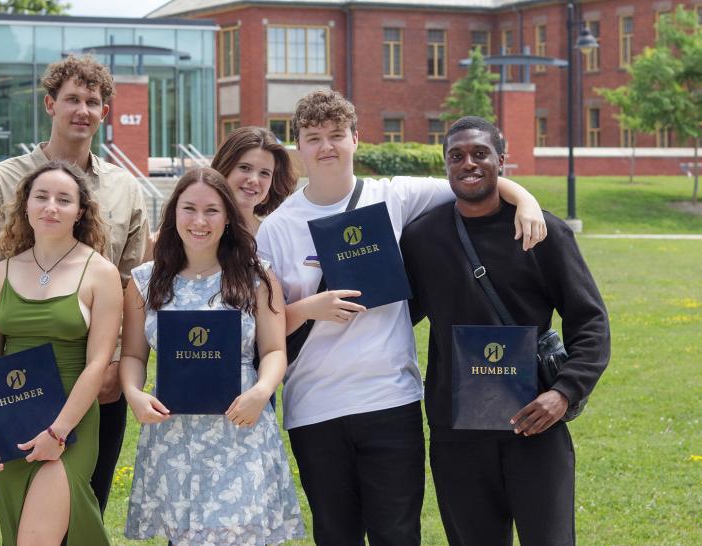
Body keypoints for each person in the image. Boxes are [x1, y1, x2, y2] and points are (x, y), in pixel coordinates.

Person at [255, 90, 549, 545]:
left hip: (390, 401)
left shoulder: (393, 196)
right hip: (314, 406)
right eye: (314, 138)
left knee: (398, 535)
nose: (326, 147)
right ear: (299, 146)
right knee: (335, 535)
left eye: (337, 135)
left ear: (357, 138)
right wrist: (310, 308)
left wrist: (525, 198)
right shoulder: (277, 227)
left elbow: (470, 182)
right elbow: (264, 327)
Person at [400, 116, 610, 546]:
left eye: (480, 153)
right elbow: (393, 315)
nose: (468, 163)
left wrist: (564, 393)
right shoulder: (422, 239)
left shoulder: (541, 232)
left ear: (501, 160)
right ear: (446, 166)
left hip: (535, 424)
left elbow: (590, 321)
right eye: (456, 156)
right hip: (456, 433)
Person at [0, 55, 147, 513]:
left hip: (93, 370)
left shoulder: (125, 188)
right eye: (72, 99)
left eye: (92, 101)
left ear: (104, 112)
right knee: (26, 508)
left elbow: (131, 286)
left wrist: (114, 361)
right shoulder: (1, 181)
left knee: (89, 500)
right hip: (19, 376)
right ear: (50, 104)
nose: (82, 110)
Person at [120, 167, 305, 546]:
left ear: (227, 218)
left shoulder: (257, 276)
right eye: (189, 209)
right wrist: (134, 394)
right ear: (173, 214)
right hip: (175, 434)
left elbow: (273, 351)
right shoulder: (144, 281)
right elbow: (134, 356)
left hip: (240, 425)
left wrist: (262, 390)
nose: (199, 221)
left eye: (212, 211)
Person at [0, 160, 122, 546]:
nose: (51, 207)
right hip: (11, 417)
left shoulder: (100, 273)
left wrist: (58, 432)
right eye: (41, 197)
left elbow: (98, 363)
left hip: (70, 423)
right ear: (26, 206)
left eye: (64, 199)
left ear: (80, 212)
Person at [142, 126, 297, 261]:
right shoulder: (177, 235)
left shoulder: (274, 239)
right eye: (244, 168)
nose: (254, 180)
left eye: (265, 173)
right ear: (224, 168)